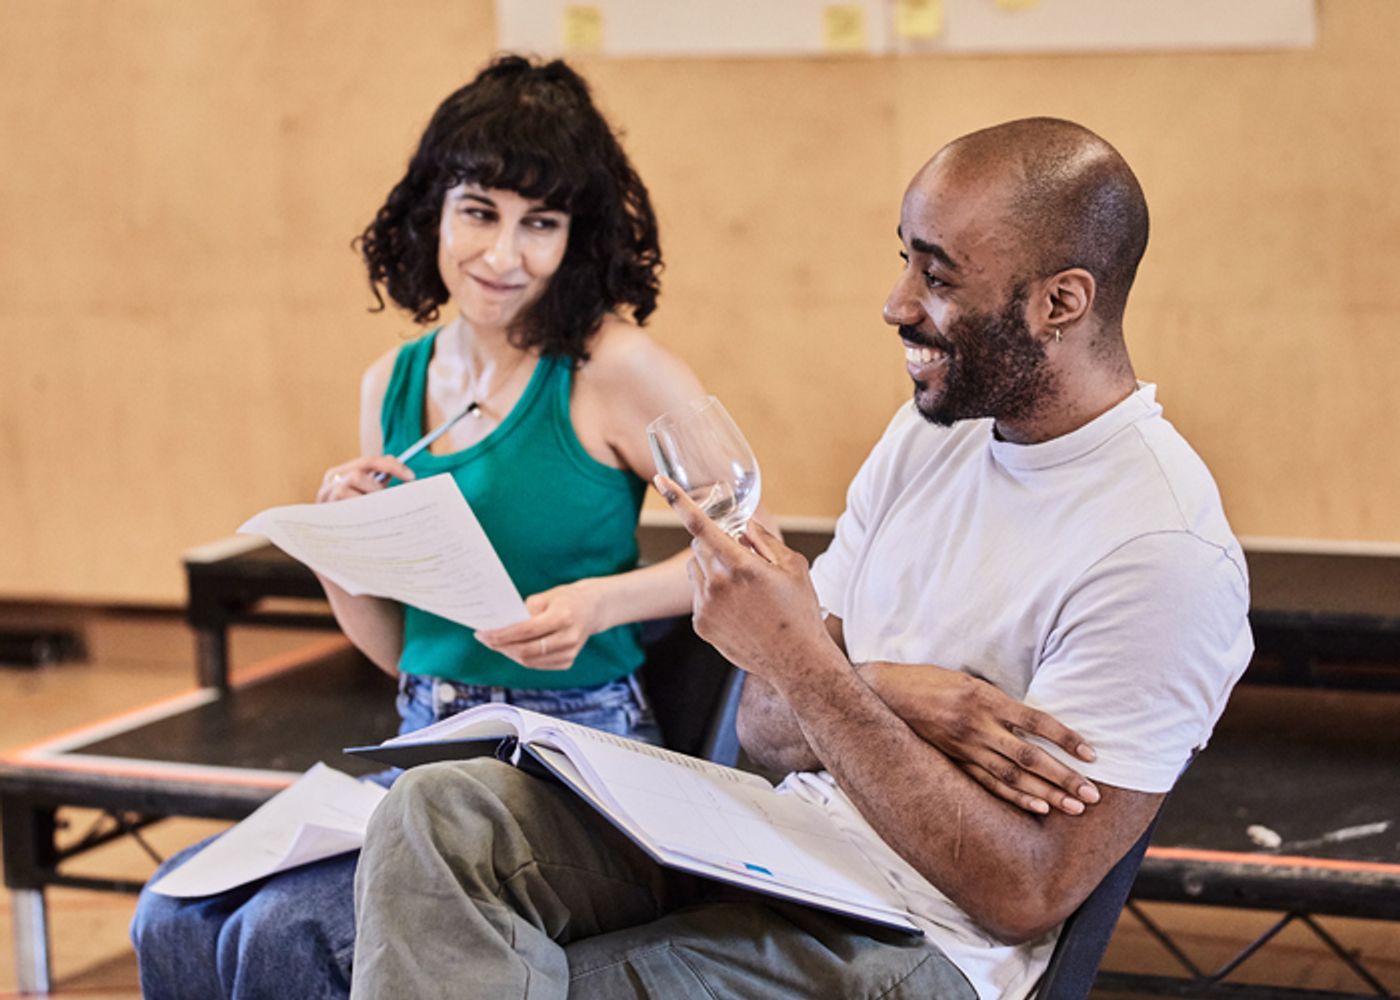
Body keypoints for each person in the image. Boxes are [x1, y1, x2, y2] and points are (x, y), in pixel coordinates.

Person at [348, 117, 1253, 1000]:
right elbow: (766, 728)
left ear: (1062, 302)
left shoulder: (1163, 553)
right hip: (782, 843)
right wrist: (892, 689)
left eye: (936, 276)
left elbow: (1022, 894)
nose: (897, 304)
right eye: (903, 258)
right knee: (435, 813)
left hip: (911, 944)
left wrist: (808, 663)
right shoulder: (928, 438)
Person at [131, 55, 718, 999]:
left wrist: (602, 603)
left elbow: (751, 554)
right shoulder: (391, 384)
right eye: (480, 212)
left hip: (573, 761)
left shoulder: (616, 367)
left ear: (581, 236)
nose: (503, 254)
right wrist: (336, 551)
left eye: (542, 224)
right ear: (433, 214)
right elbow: (402, 648)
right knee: (169, 911)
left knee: (286, 934)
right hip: (422, 739)